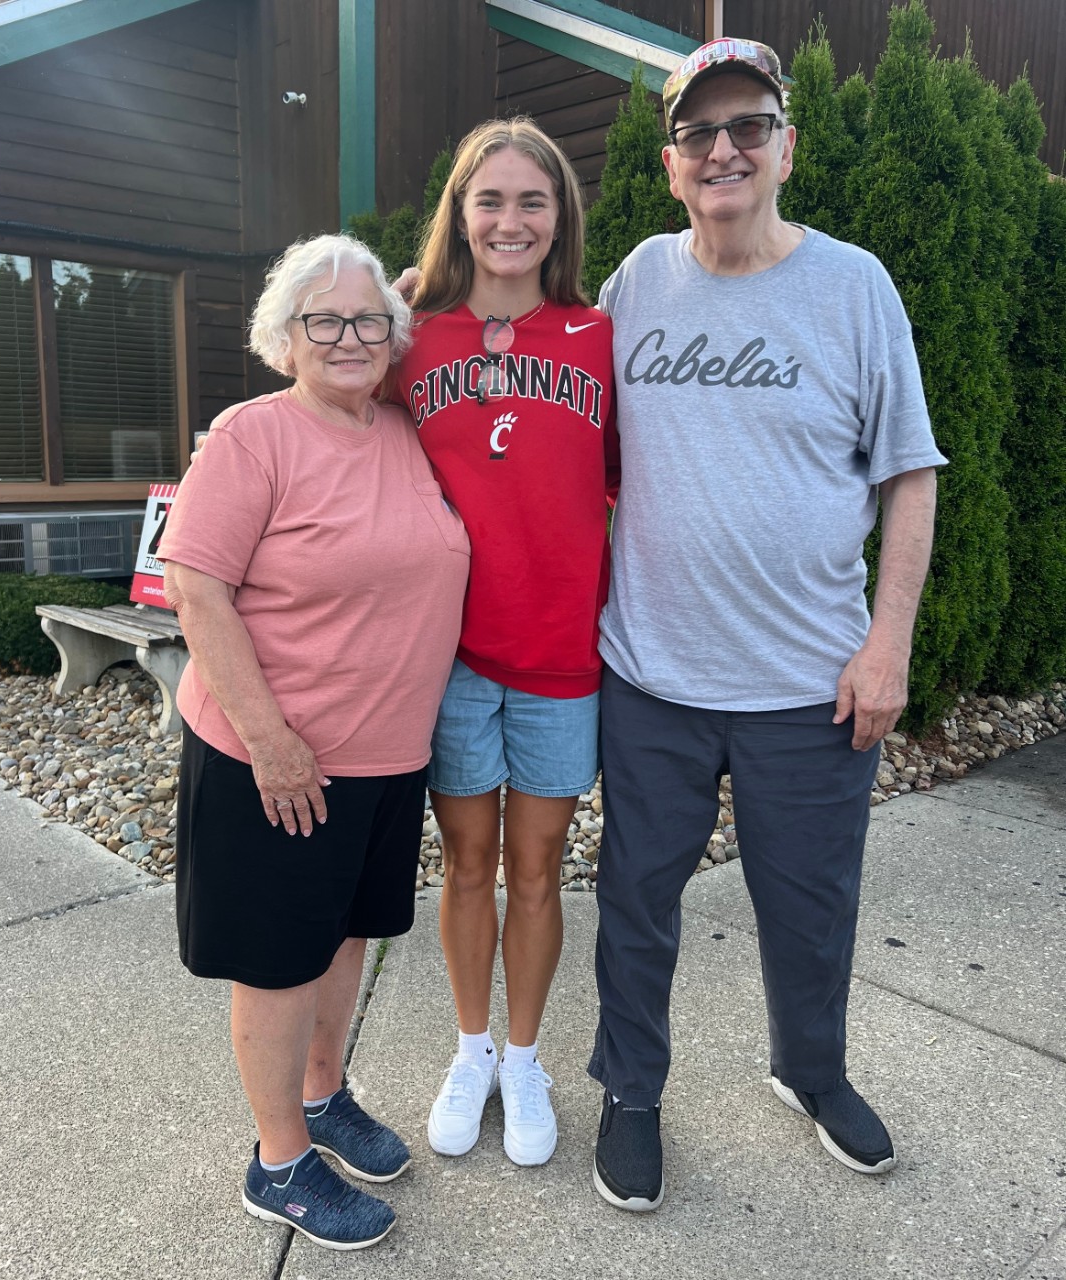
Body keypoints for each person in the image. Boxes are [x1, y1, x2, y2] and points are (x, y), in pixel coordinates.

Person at [588, 38, 947, 1212]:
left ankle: (809, 1070)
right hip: (651, 677)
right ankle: (631, 1091)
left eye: (747, 127)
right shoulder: (633, 282)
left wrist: (885, 640)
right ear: (669, 162)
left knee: (809, 903)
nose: (723, 149)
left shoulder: (853, 286)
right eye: (699, 133)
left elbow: (908, 472)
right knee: (636, 899)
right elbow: (567, 451)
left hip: (808, 683)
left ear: (784, 147)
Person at [160, 234, 469, 1250]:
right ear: (282, 337)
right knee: (280, 957)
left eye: (366, 321)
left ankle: (325, 1093)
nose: (346, 337)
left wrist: (405, 288)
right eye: (320, 320)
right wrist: (270, 739)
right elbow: (195, 587)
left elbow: (423, 293)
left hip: (387, 757)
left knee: (345, 935)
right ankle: (278, 1157)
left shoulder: (399, 428)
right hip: (277, 758)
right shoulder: (254, 437)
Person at [391, 118, 618, 1167]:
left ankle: (524, 1059)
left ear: (559, 215)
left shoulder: (600, 338)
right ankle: (470, 1046)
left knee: (537, 868)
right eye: (490, 200)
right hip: (450, 659)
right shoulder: (408, 333)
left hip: (560, 657)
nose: (510, 219)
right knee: (465, 861)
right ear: (459, 213)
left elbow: (631, 478)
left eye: (532, 200)